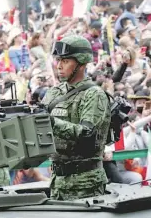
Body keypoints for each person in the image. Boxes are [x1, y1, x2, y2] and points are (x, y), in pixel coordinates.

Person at [41, 34, 111, 200]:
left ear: (81, 64)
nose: (59, 66)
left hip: (86, 182)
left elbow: (87, 133)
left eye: (65, 61)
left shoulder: (93, 94)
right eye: (58, 60)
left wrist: (50, 122)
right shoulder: (53, 93)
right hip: (57, 181)